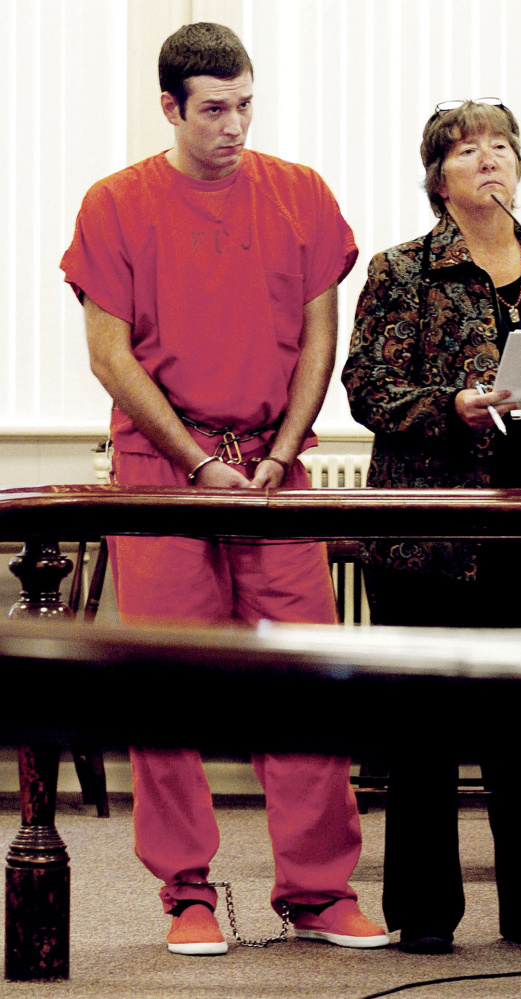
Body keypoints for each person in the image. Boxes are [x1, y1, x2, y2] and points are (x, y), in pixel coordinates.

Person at [61, 22, 389, 956]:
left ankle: (319, 892)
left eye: (245, 104)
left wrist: (282, 455)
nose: (234, 125)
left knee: (307, 681)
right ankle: (187, 891)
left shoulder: (300, 195)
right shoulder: (115, 204)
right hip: (162, 469)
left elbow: (318, 338)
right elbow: (109, 353)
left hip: (274, 468)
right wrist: (200, 464)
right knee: (165, 689)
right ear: (170, 107)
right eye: (213, 110)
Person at [342, 99, 521, 955]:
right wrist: (452, 405)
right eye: (468, 149)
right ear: (437, 176)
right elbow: (365, 389)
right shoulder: (401, 271)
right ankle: (425, 914)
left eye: (500, 146)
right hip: (433, 529)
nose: (489, 160)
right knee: (424, 734)